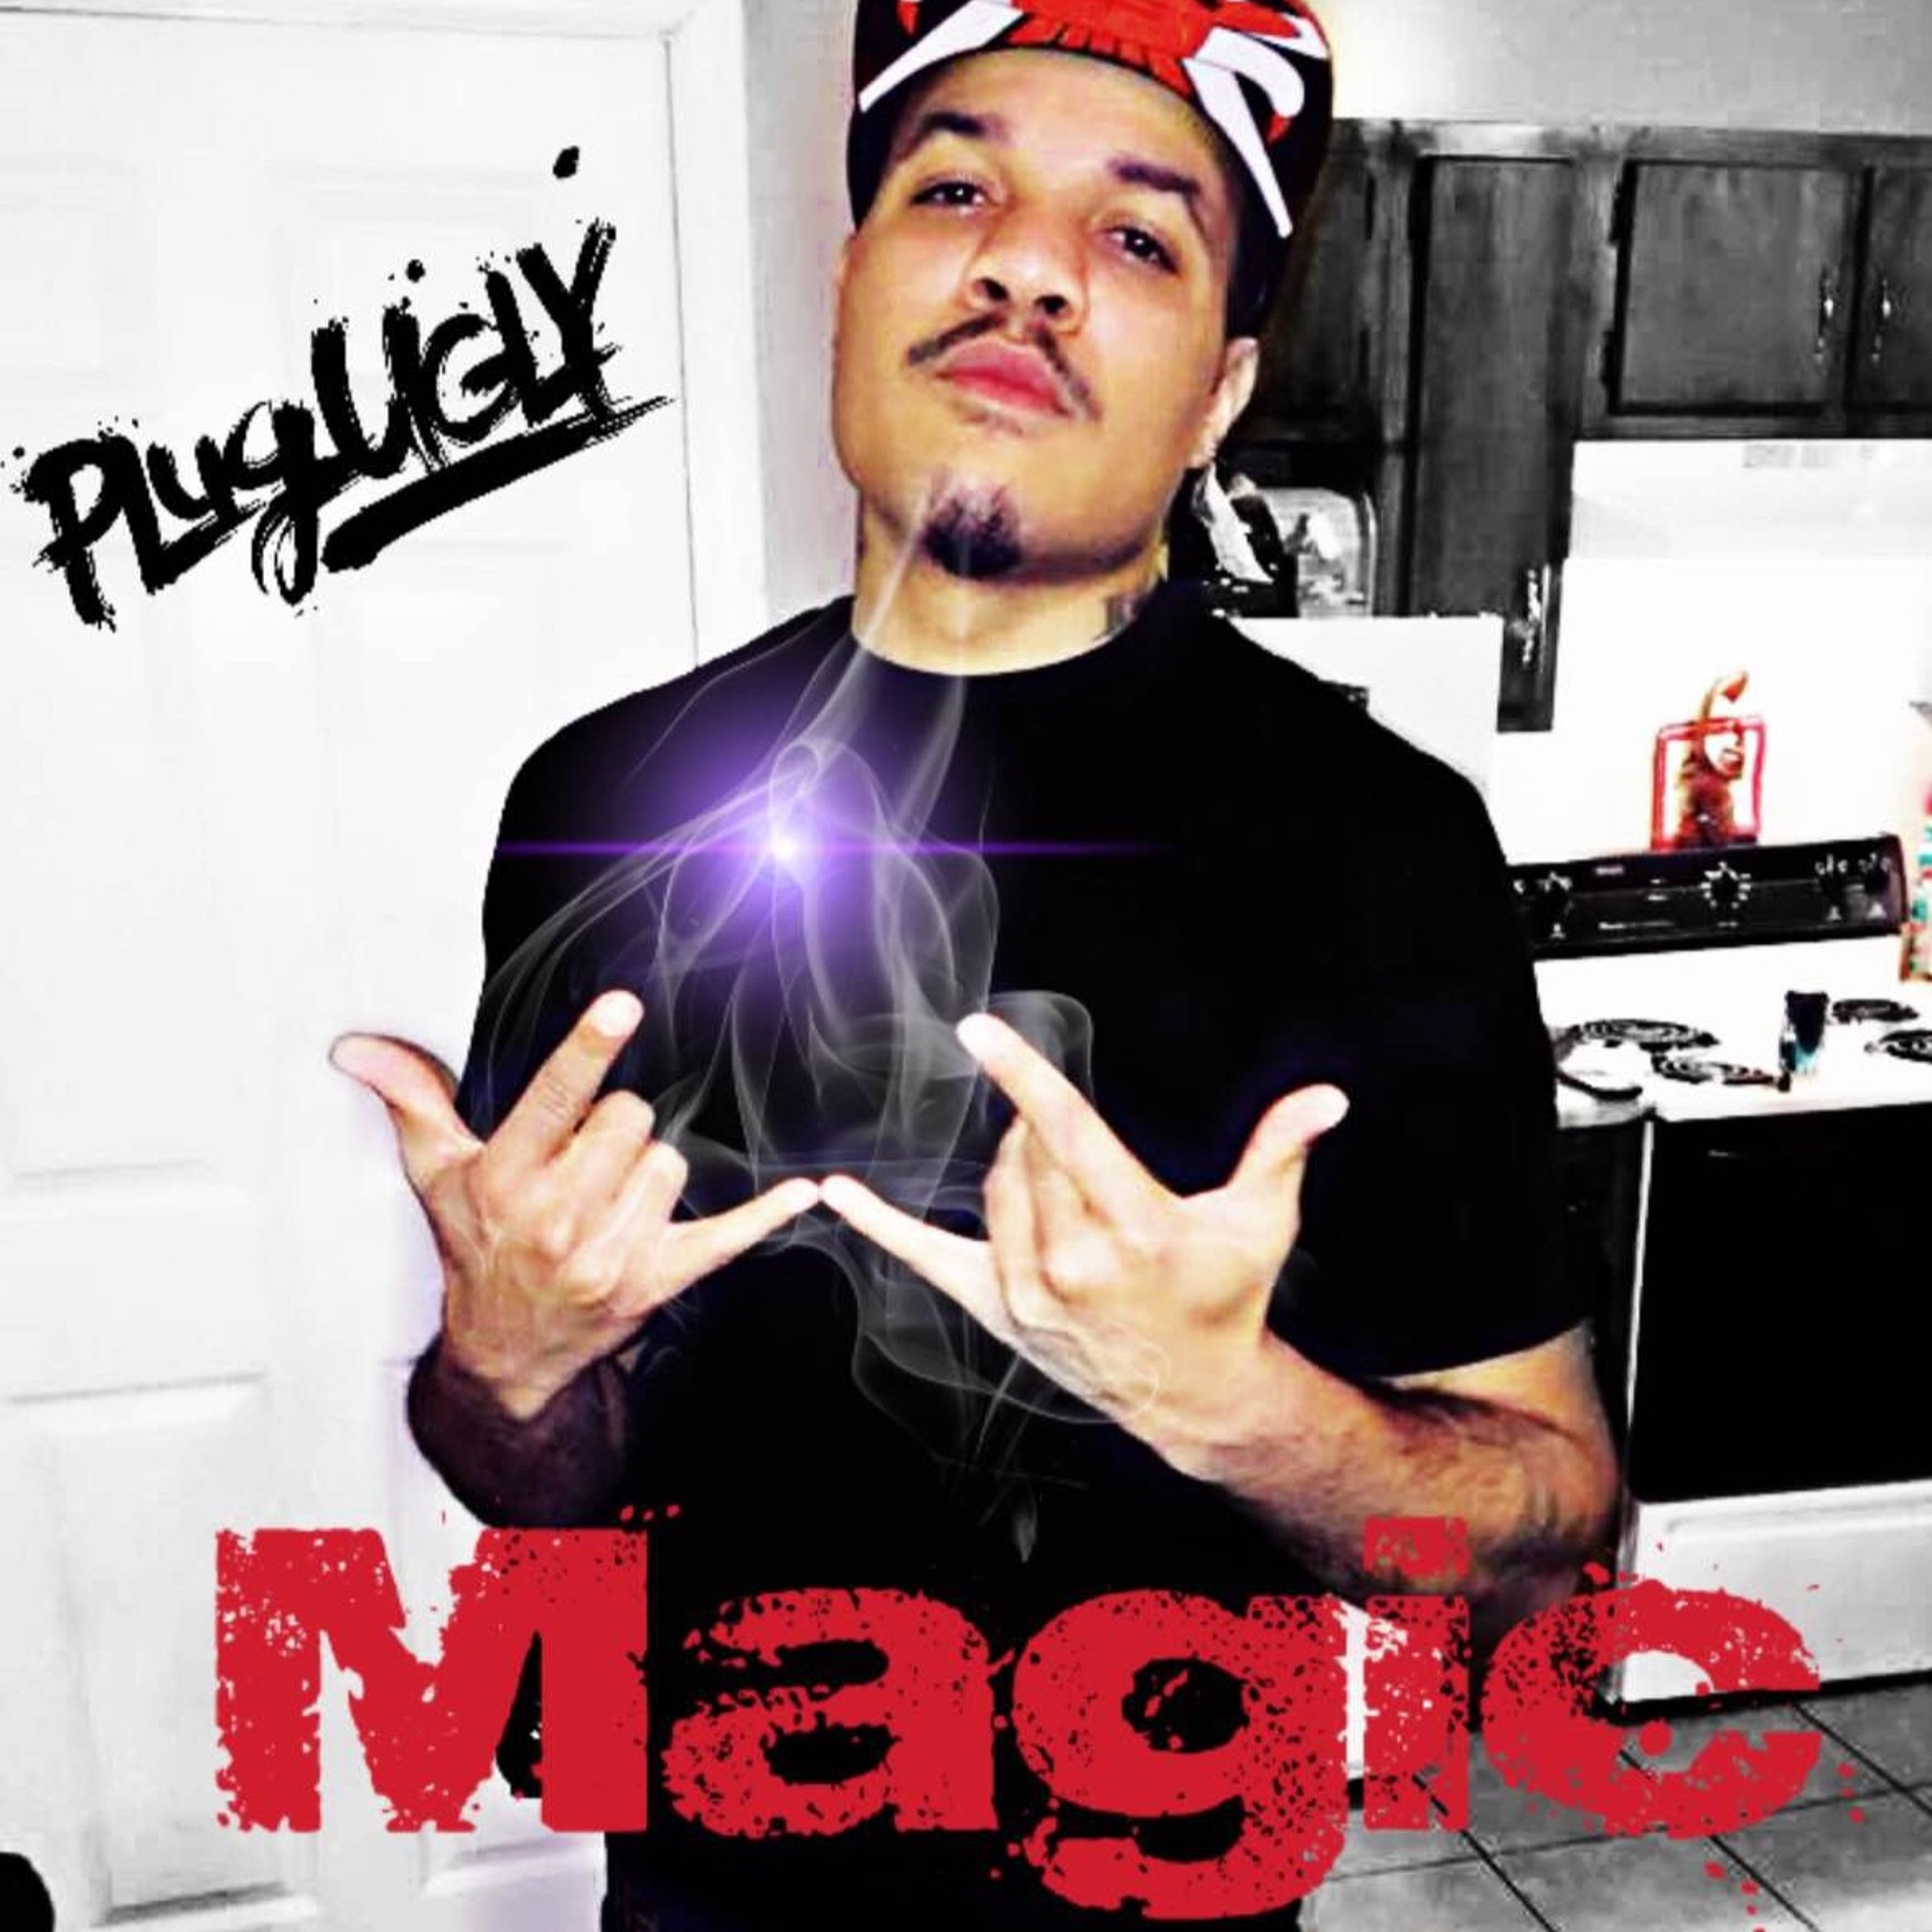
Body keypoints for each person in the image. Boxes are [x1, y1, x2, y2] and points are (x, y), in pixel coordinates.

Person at [328, 3, 1619, 1926]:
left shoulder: (1381, 851)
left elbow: (1548, 1567)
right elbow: (535, 1481)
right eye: (955, 193)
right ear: (852, 283)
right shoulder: (602, 794)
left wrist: (1238, 1406)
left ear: (1220, 391)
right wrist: (503, 1370)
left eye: (1137, 235)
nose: (1026, 264)